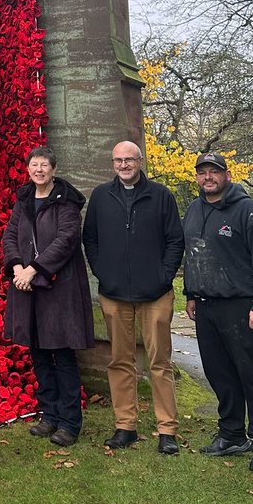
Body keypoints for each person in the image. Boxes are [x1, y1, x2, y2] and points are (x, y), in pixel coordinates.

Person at [82, 140, 184, 454]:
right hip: (115, 295)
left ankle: (167, 429)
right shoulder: (101, 196)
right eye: (118, 161)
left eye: (129, 159)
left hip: (154, 294)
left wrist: (163, 276)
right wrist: (103, 272)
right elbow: (91, 239)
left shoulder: (161, 196)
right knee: (120, 361)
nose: (124, 165)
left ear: (139, 161)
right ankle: (125, 425)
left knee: (159, 362)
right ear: (112, 164)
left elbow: (175, 240)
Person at [184, 152, 253, 472]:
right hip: (206, 306)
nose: (208, 177)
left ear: (227, 175)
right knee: (220, 374)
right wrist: (190, 293)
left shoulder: (249, 212)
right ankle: (231, 434)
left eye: (214, 172)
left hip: (242, 308)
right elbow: (193, 253)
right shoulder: (195, 210)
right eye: (202, 172)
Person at [2, 146, 94, 446]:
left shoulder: (66, 201)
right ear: (28, 169)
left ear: (53, 169)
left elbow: (66, 239)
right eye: (34, 165)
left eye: (44, 165)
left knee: (63, 355)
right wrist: (18, 267)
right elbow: (11, 235)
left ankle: (69, 422)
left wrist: (34, 270)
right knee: (39, 353)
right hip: (27, 288)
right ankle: (49, 414)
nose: (39, 170)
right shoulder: (24, 199)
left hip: (59, 289)